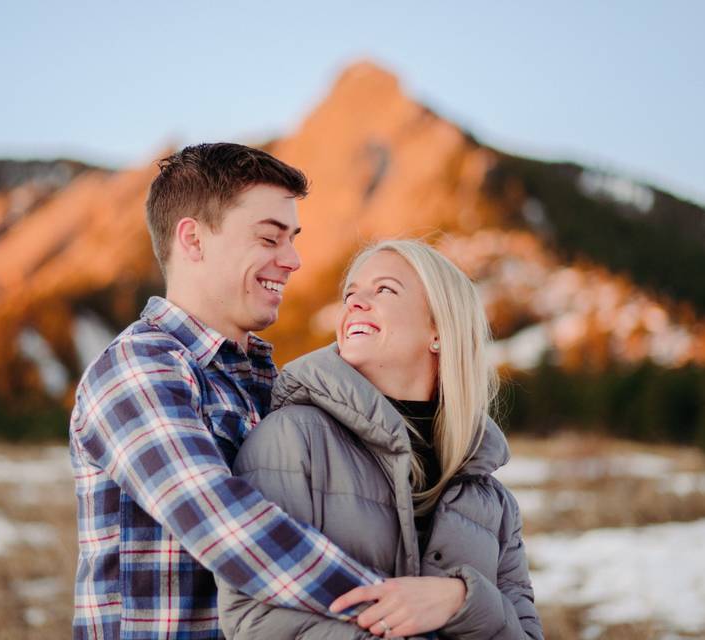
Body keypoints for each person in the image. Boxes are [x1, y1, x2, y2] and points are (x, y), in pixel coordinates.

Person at [70, 145, 474, 639]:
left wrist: (459, 597)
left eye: (293, 240)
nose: (293, 260)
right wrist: (400, 615)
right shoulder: (138, 368)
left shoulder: (268, 382)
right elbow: (226, 527)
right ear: (193, 239)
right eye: (269, 238)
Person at [218, 239, 543, 639]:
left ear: (439, 329)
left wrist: (460, 600)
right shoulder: (291, 440)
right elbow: (256, 621)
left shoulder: (495, 504)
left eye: (384, 289)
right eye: (350, 293)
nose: (355, 302)